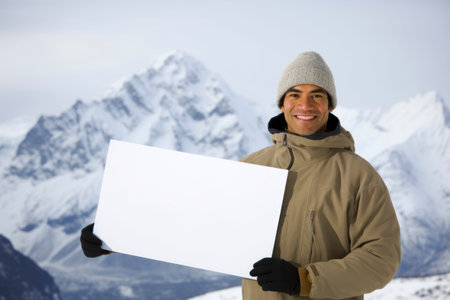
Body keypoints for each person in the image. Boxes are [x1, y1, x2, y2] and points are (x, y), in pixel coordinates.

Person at [80, 51, 401, 300]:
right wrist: (114, 235)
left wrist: (305, 280)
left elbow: (380, 260)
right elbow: (192, 222)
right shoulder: (252, 168)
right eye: (295, 94)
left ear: (330, 105)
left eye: (317, 94)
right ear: (282, 104)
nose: (306, 103)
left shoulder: (359, 176)